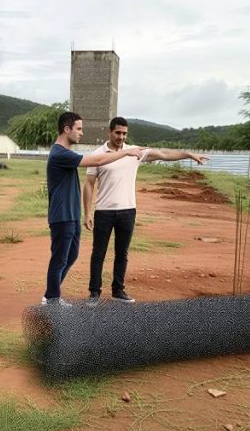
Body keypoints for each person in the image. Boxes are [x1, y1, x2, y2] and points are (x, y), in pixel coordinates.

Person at [82, 117, 209, 303]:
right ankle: (94, 293)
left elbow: (163, 154)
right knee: (98, 253)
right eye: (118, 133)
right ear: (109, 132)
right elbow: (89, 184)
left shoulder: (135, 152)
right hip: (104, 212)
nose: (121, 137)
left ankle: (118, 291)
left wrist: (189, 154)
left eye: (124, 133)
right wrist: (86, 213)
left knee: (122, 253)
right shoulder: (99, 154)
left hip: (128, 211)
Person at [42, 112, 144, 306]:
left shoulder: (66, 153)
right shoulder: (59, 153)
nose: (81, 133)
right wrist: (126, 152)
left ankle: (50, 294)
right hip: (61, 215)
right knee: (60, 258)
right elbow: (96, 161)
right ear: (66, 129)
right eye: (78, 129)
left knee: (71, 256)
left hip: (71, 215)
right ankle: (52, 298)